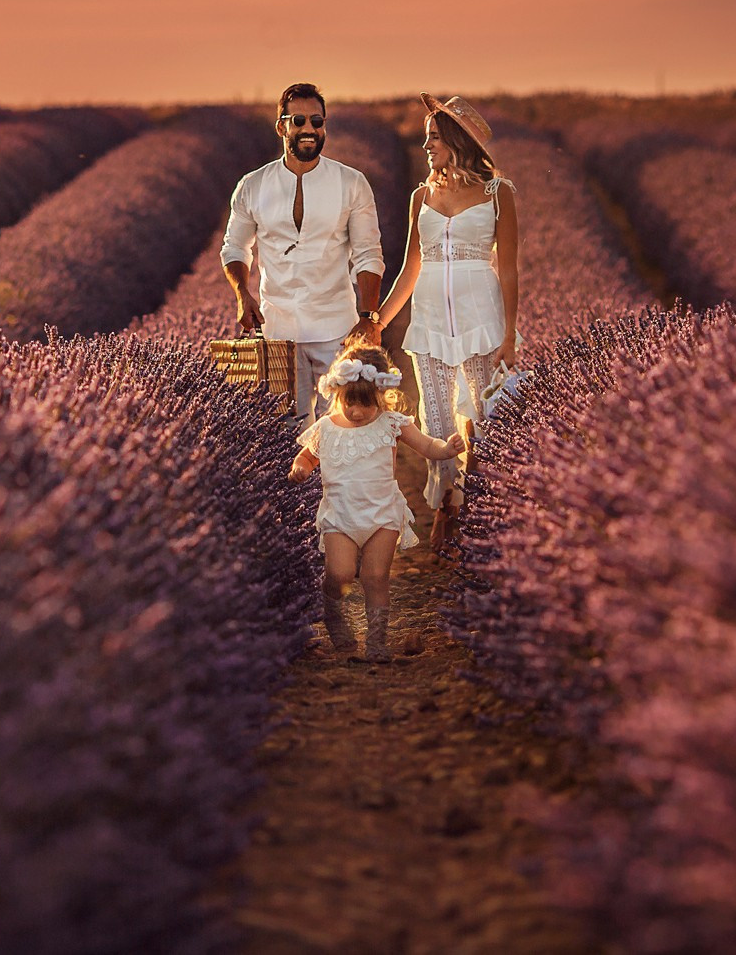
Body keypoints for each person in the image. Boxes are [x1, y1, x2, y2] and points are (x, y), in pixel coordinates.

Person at [376, 93, 520, 548]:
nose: (426, 146)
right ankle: (446, 507)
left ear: (456, 140)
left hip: (482, 314)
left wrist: (510, 332)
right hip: (432, 318)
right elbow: (410, 269)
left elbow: (511, 267)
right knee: (436, 421)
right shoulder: (421, 195)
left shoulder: (499, 193)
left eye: (433, 138)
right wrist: (377, 323)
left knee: (481, 417)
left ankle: (478, 505)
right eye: (425, 139)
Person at [288, 345, 466, 661]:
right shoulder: (327, 427)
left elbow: (427, 446)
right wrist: (300, 469)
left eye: (365, 404)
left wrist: (447, 449)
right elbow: (307, 455)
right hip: (340, 515)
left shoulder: (392, 423)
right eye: (348, 402)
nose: (355, 411)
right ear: (337, 392)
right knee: (340, 573)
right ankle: (332, 608)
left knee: (375, 577)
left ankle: (376, 641)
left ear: (381, 395)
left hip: (382, 513)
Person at [222, 83, 384, 430]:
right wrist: (242, 294)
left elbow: (368, 254)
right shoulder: (253, 185)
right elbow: (235, 247)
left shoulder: (352, 183)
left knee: (343, 427)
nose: (309, 130)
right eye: (299, 121)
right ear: (282, 127)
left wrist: (369, 316)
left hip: (337, 330)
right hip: (278, 329)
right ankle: (300, 488)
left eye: (317, 121)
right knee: (286, 433)